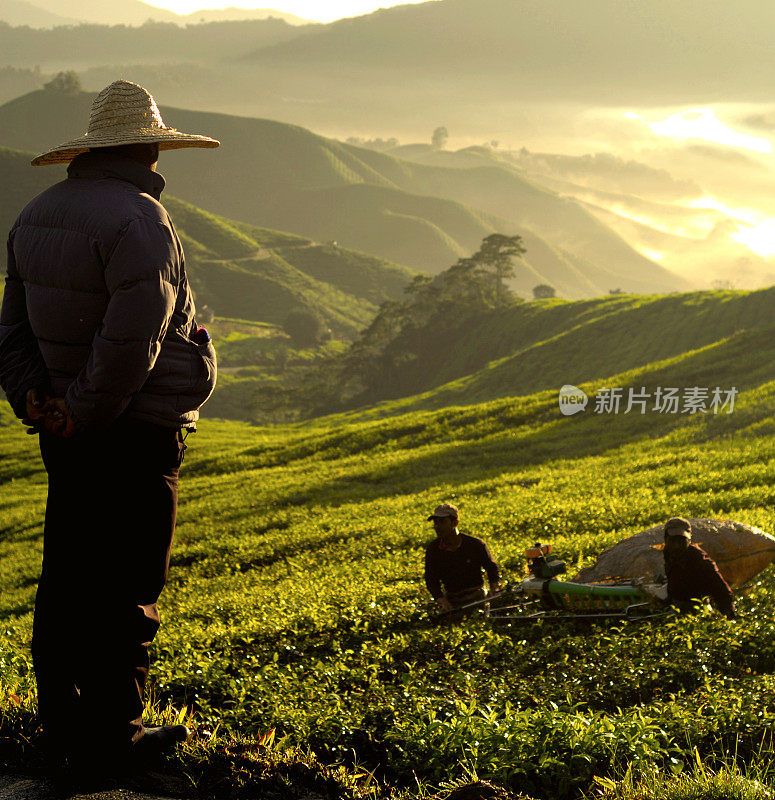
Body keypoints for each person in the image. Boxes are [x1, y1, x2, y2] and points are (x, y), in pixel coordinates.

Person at [0, 80, 219, 780]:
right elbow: (135, 338)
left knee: (67, 577)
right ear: (151, 146)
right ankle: (110, 743)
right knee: (126, 585)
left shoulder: (36, 213)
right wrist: (88, 409)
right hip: (133, 427)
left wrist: (38, 399)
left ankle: (61, 729)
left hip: (65, 430)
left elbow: (12, 327)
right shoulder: (141, 220)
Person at [424, 503, 501, 613]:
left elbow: (492, 568)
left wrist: (494, 589)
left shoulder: (475, 544)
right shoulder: (433, 550)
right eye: (435, 522)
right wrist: (442, 601)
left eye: (442, 522)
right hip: (452, 599)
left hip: (476, 595)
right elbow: (431, 580)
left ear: (455, 523)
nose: (437, 526)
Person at [662, 517, 737, 619]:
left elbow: (721, 590)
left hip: (697, 609)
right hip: (677, 606)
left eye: (681, 541)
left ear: (689, 540)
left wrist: (730, 615)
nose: (676, 546)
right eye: (673, 541)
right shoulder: (668, 554)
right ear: (666, 539)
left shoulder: (699, 560)